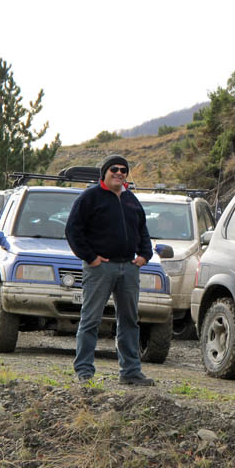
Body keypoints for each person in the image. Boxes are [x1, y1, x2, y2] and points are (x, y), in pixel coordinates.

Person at [65, 154, 155, 386]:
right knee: (91, 319)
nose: (119, 173)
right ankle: (84, 372)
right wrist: (91, 257)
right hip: (100, 269)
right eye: (114, 169)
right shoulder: (90, 198)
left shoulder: (131, 200)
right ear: (104, 172)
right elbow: (73, 231)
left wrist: (145, 255)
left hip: (129, 268)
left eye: (123, 170)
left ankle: (131, 372)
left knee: (129, 321)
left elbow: (142, 229)